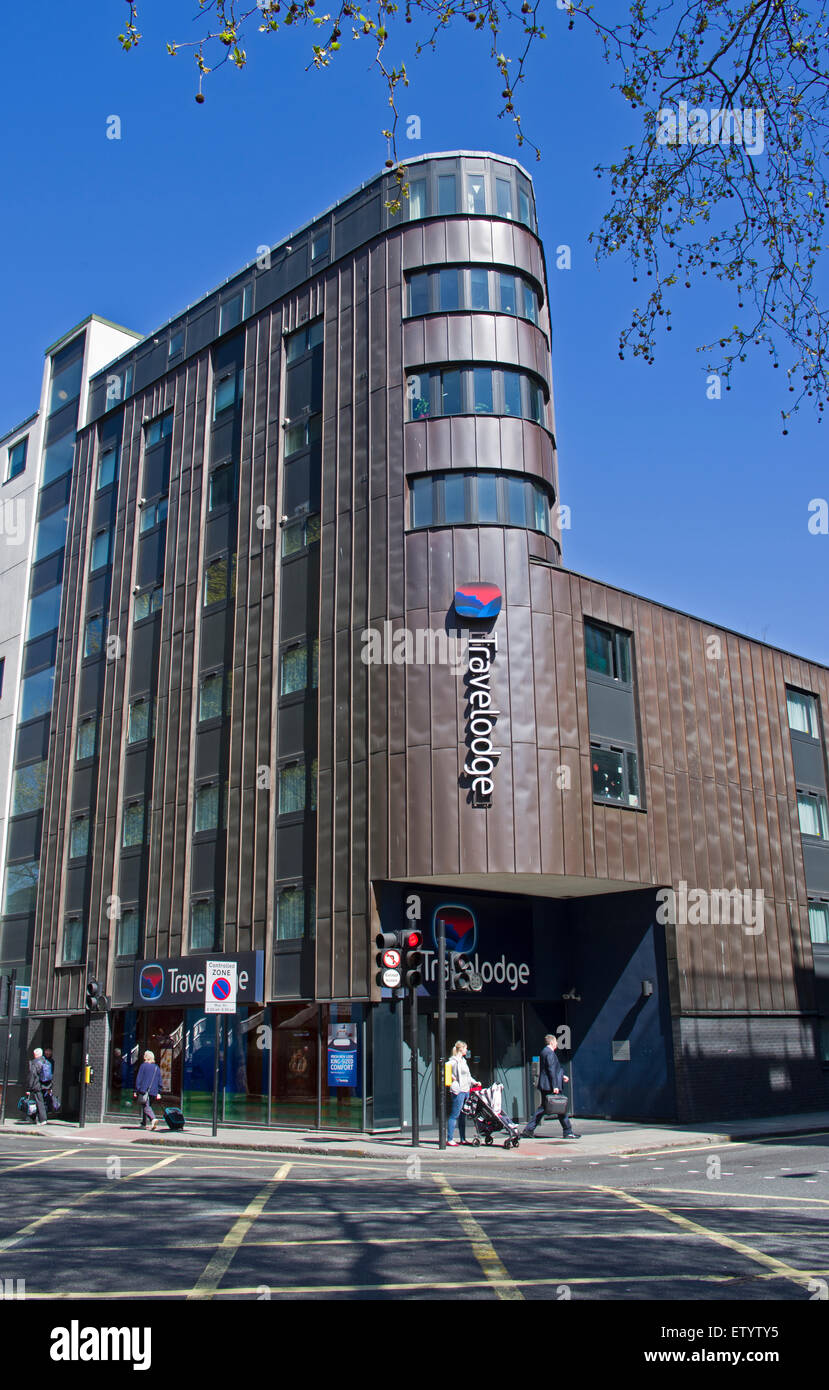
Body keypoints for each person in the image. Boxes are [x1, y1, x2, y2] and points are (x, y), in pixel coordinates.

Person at [522, 1034, 580, 1140]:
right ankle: (567, 1131)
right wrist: (555, 1086)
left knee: (547, 1108)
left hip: (547, 1085)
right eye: (556, 1042)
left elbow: (553, 1070)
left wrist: (562, 1076)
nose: (557, 1044)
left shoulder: (545, 1052)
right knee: (560, 1108)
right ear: (552, 1042)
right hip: (550, 1086)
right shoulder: (549, 1053)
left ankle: (529, 1130)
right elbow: (551, 1070)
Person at [447, 1040, 478, 1146]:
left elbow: (468, 1076)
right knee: (455, 1114)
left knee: (462, 1116)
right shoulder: (453, 1060)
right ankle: (450, 1139)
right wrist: (451, 1079)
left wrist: (475, 1082)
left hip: (466, 1091)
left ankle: (463, 1139)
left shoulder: (463, 1061)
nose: (467, 1050)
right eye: (465, 1048)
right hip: (458, 1091)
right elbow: (445, 1067)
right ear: (461, 1049)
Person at [133, 1050, 163, 1130]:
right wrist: (159, 1091)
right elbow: (160, 1080)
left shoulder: (143, 1066)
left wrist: (136, 1090)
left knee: (146, 1107)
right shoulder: (156, 1068)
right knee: (147, 1106)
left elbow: (139, 1079)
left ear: (146, 1057)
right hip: (154, 1092)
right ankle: (143, 1123)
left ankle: (153, 1119)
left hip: (144, 1091)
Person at [27, 1048, 48, 1125]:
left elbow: (32, 1076)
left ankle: (42, 1119)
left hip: (36, 1085)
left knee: (38, 1102)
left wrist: (29, 1088)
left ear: (35, 1054)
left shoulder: (34, 1062)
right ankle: (38, 1118)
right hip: (45, 1085)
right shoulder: (45, 1061)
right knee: (41, 1101)